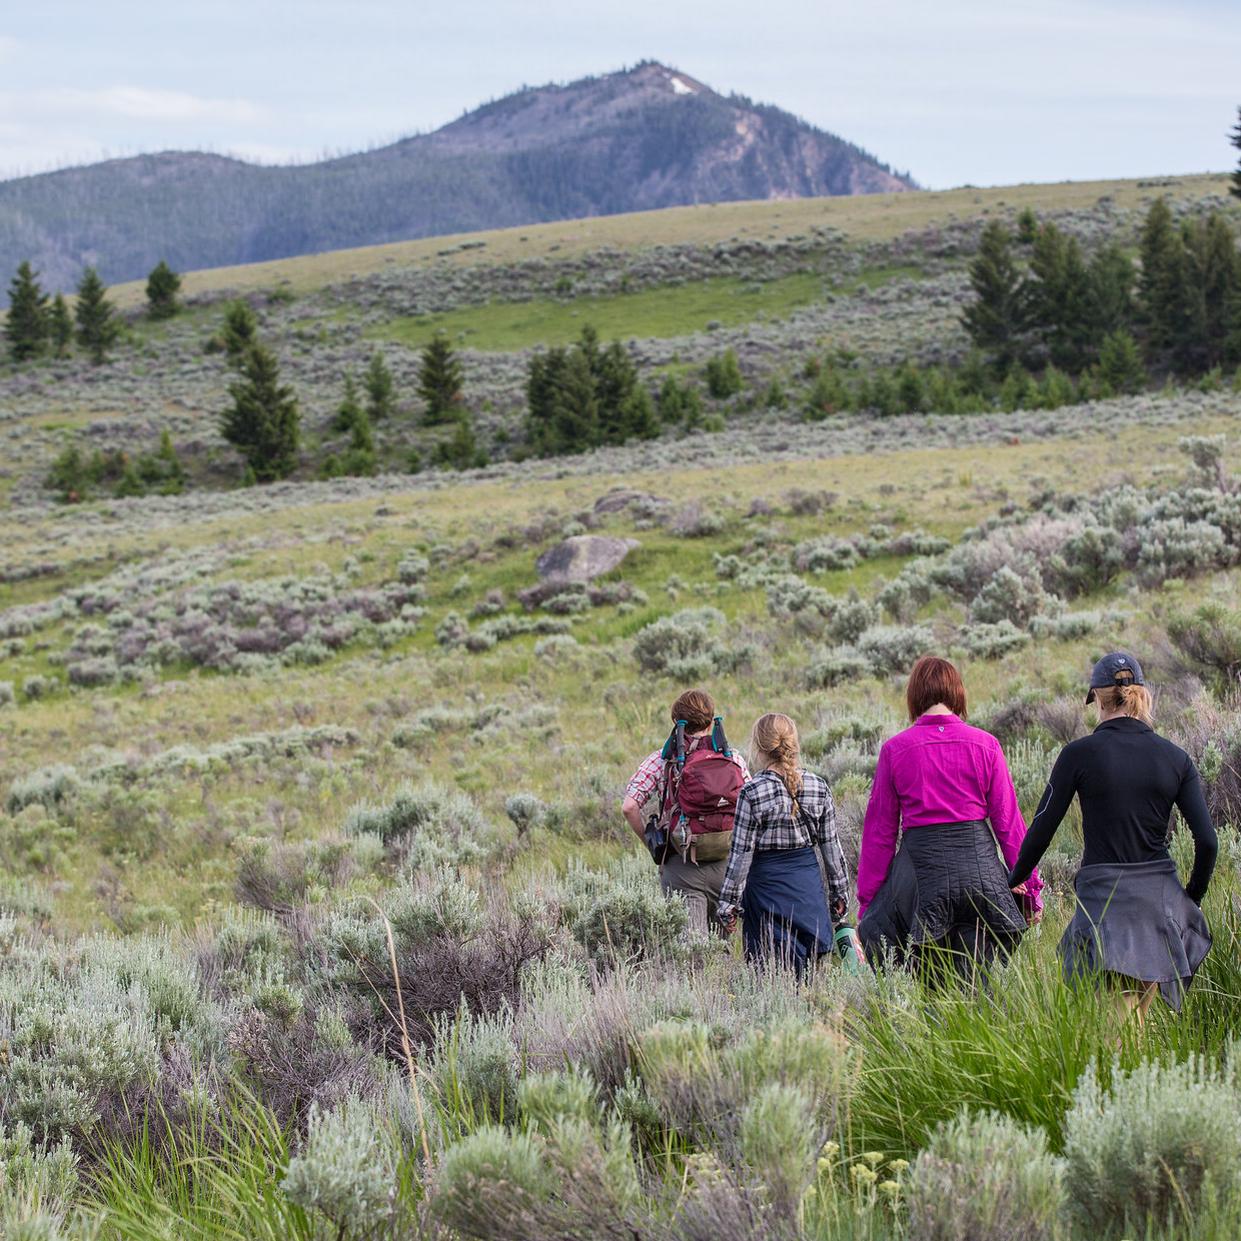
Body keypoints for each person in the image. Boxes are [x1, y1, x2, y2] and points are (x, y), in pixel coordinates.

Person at [1008, 652, 1216, 1019]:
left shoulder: (1078, 755)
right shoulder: (1175, 758)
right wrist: (1189, 900)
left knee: (1115, 1034)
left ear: (1097, 699)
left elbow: (1041, 830)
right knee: (1134, 1022)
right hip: (1158, 903)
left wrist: (1015, 879)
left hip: (1105, 903)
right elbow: (1208, 842)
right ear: (1140, 696)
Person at [858, 655, 1043, 983]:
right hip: (982, 873)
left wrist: (868, 904)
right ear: (957, 692)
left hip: (921, 877)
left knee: (930, 981)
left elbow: (879, 835)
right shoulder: (986, 744)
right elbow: (1009, 824)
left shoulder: (895, 749)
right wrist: (1030, 890)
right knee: (979, 979)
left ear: (914, 695)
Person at [716, 713, 851, 974]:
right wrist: (839, 895)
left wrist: (728, 905)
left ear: (758, 747)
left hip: (766, 891)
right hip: (807, 889)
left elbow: (740, 856)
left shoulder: (752, 792)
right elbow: (832, 849)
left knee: (768, 972)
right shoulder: (818, 786)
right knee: (810, 974)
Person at [622, 688, 750, 934]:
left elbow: (629, 807)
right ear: (711, 721)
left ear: (676, 722)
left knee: (691, 954)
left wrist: (654, 847)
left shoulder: (661, 761)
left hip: (681, 867)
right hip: (726, 864)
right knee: (721, 946)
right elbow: (750, 804)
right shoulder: (733, 758)